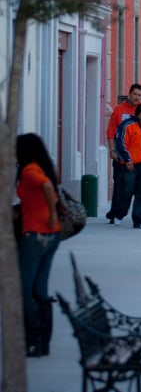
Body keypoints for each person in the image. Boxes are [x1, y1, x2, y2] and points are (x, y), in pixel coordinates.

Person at [15, 133, 61, 357]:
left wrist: (51, 215)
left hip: (36, 234)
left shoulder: (29, 170)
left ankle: (33, 339)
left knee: (24, 288)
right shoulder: (41, 167)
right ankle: (43, 342)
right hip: (51, 235)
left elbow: (46, 188)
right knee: (39, 288)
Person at [105, 83, 141, 223]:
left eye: (139, 95)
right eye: (135, 94)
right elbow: (111, 131)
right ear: (129, 94)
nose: (137, 98)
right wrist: (111, 150)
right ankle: (114, 213)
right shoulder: (119, 110)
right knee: (119, 186)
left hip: (137, 158)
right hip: (120, 155)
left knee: (136, 188)